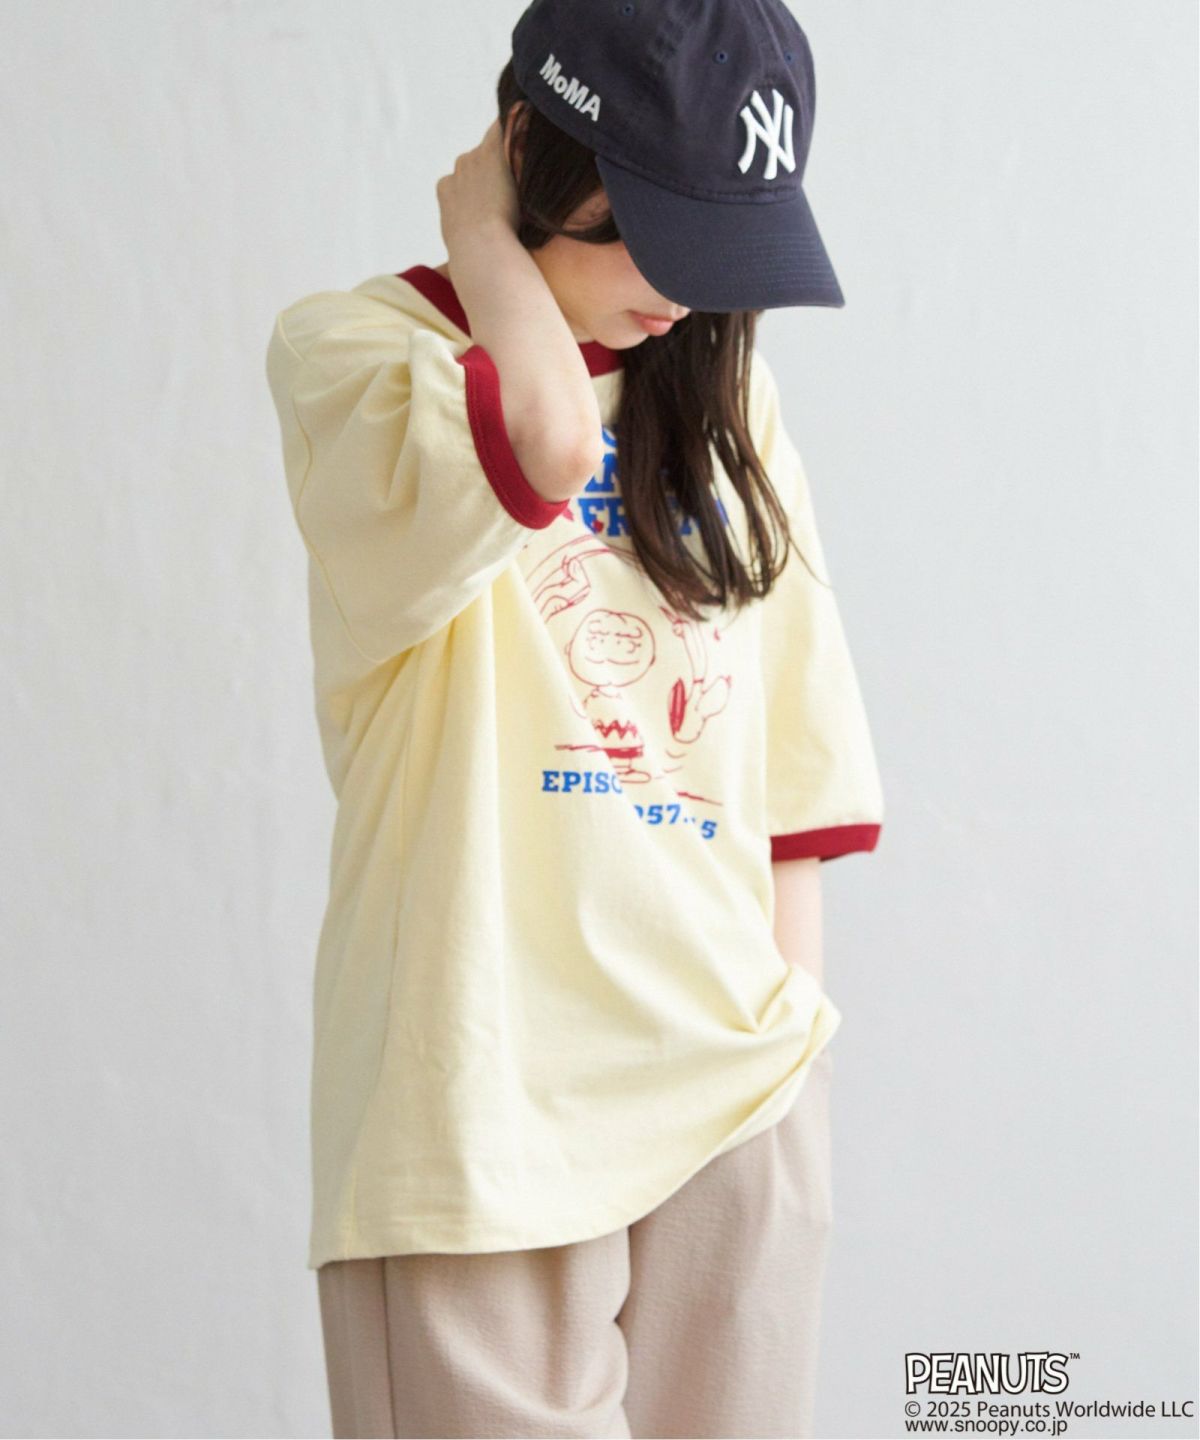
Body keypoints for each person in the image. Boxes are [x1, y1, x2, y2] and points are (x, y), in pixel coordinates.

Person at [264, 2, 884, 1435]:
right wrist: (479, 238)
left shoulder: (728, 408)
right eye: (655, 230)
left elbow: (794, 772)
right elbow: (544, 443)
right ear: (529, 152)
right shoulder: (357, 362)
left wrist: (790, 1062)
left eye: (721, 243)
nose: (685, 291)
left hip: (731, 1097)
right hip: (483, 1102)